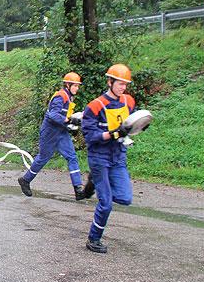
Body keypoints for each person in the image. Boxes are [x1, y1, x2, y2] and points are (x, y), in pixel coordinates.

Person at [81, 64, 137, 254]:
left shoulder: (128, 101)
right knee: (106, 203)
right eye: (120, 83)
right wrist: (112, 134)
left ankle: (94, 182)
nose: (123, 87)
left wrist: (139, 126)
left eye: (125, 84)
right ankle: (93, 239)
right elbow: (90, 136)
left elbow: (132, 122)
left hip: (118, 156)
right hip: (99, 157)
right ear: (110, 82)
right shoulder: (95, 106)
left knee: (125, 198)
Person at [17, 72, 94, 201]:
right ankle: (25, 180)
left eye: (78, 86)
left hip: (61, 132)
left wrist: (71, 126)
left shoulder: (69, 98)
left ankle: (78, 189)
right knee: (43, 158)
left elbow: (65, 117)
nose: (77, 88)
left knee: (72, 157)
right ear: (68, 85)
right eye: (75, 86)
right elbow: (53, 115)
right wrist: (69, 120)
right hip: (49, 132)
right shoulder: (60, 96)